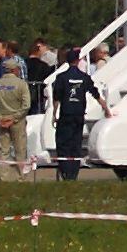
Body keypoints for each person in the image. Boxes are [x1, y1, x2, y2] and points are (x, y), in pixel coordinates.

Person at [46, 49, 102, 181]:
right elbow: (95, 93)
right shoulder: (84, 77)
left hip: (66, 115)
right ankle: (74, 173)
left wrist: (54, 114)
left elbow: (56, 98)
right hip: (78, 115)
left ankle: (65, 172)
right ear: (77, 61)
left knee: (63, 144)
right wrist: (106, 108)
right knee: (76, 144)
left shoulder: (61, 77)